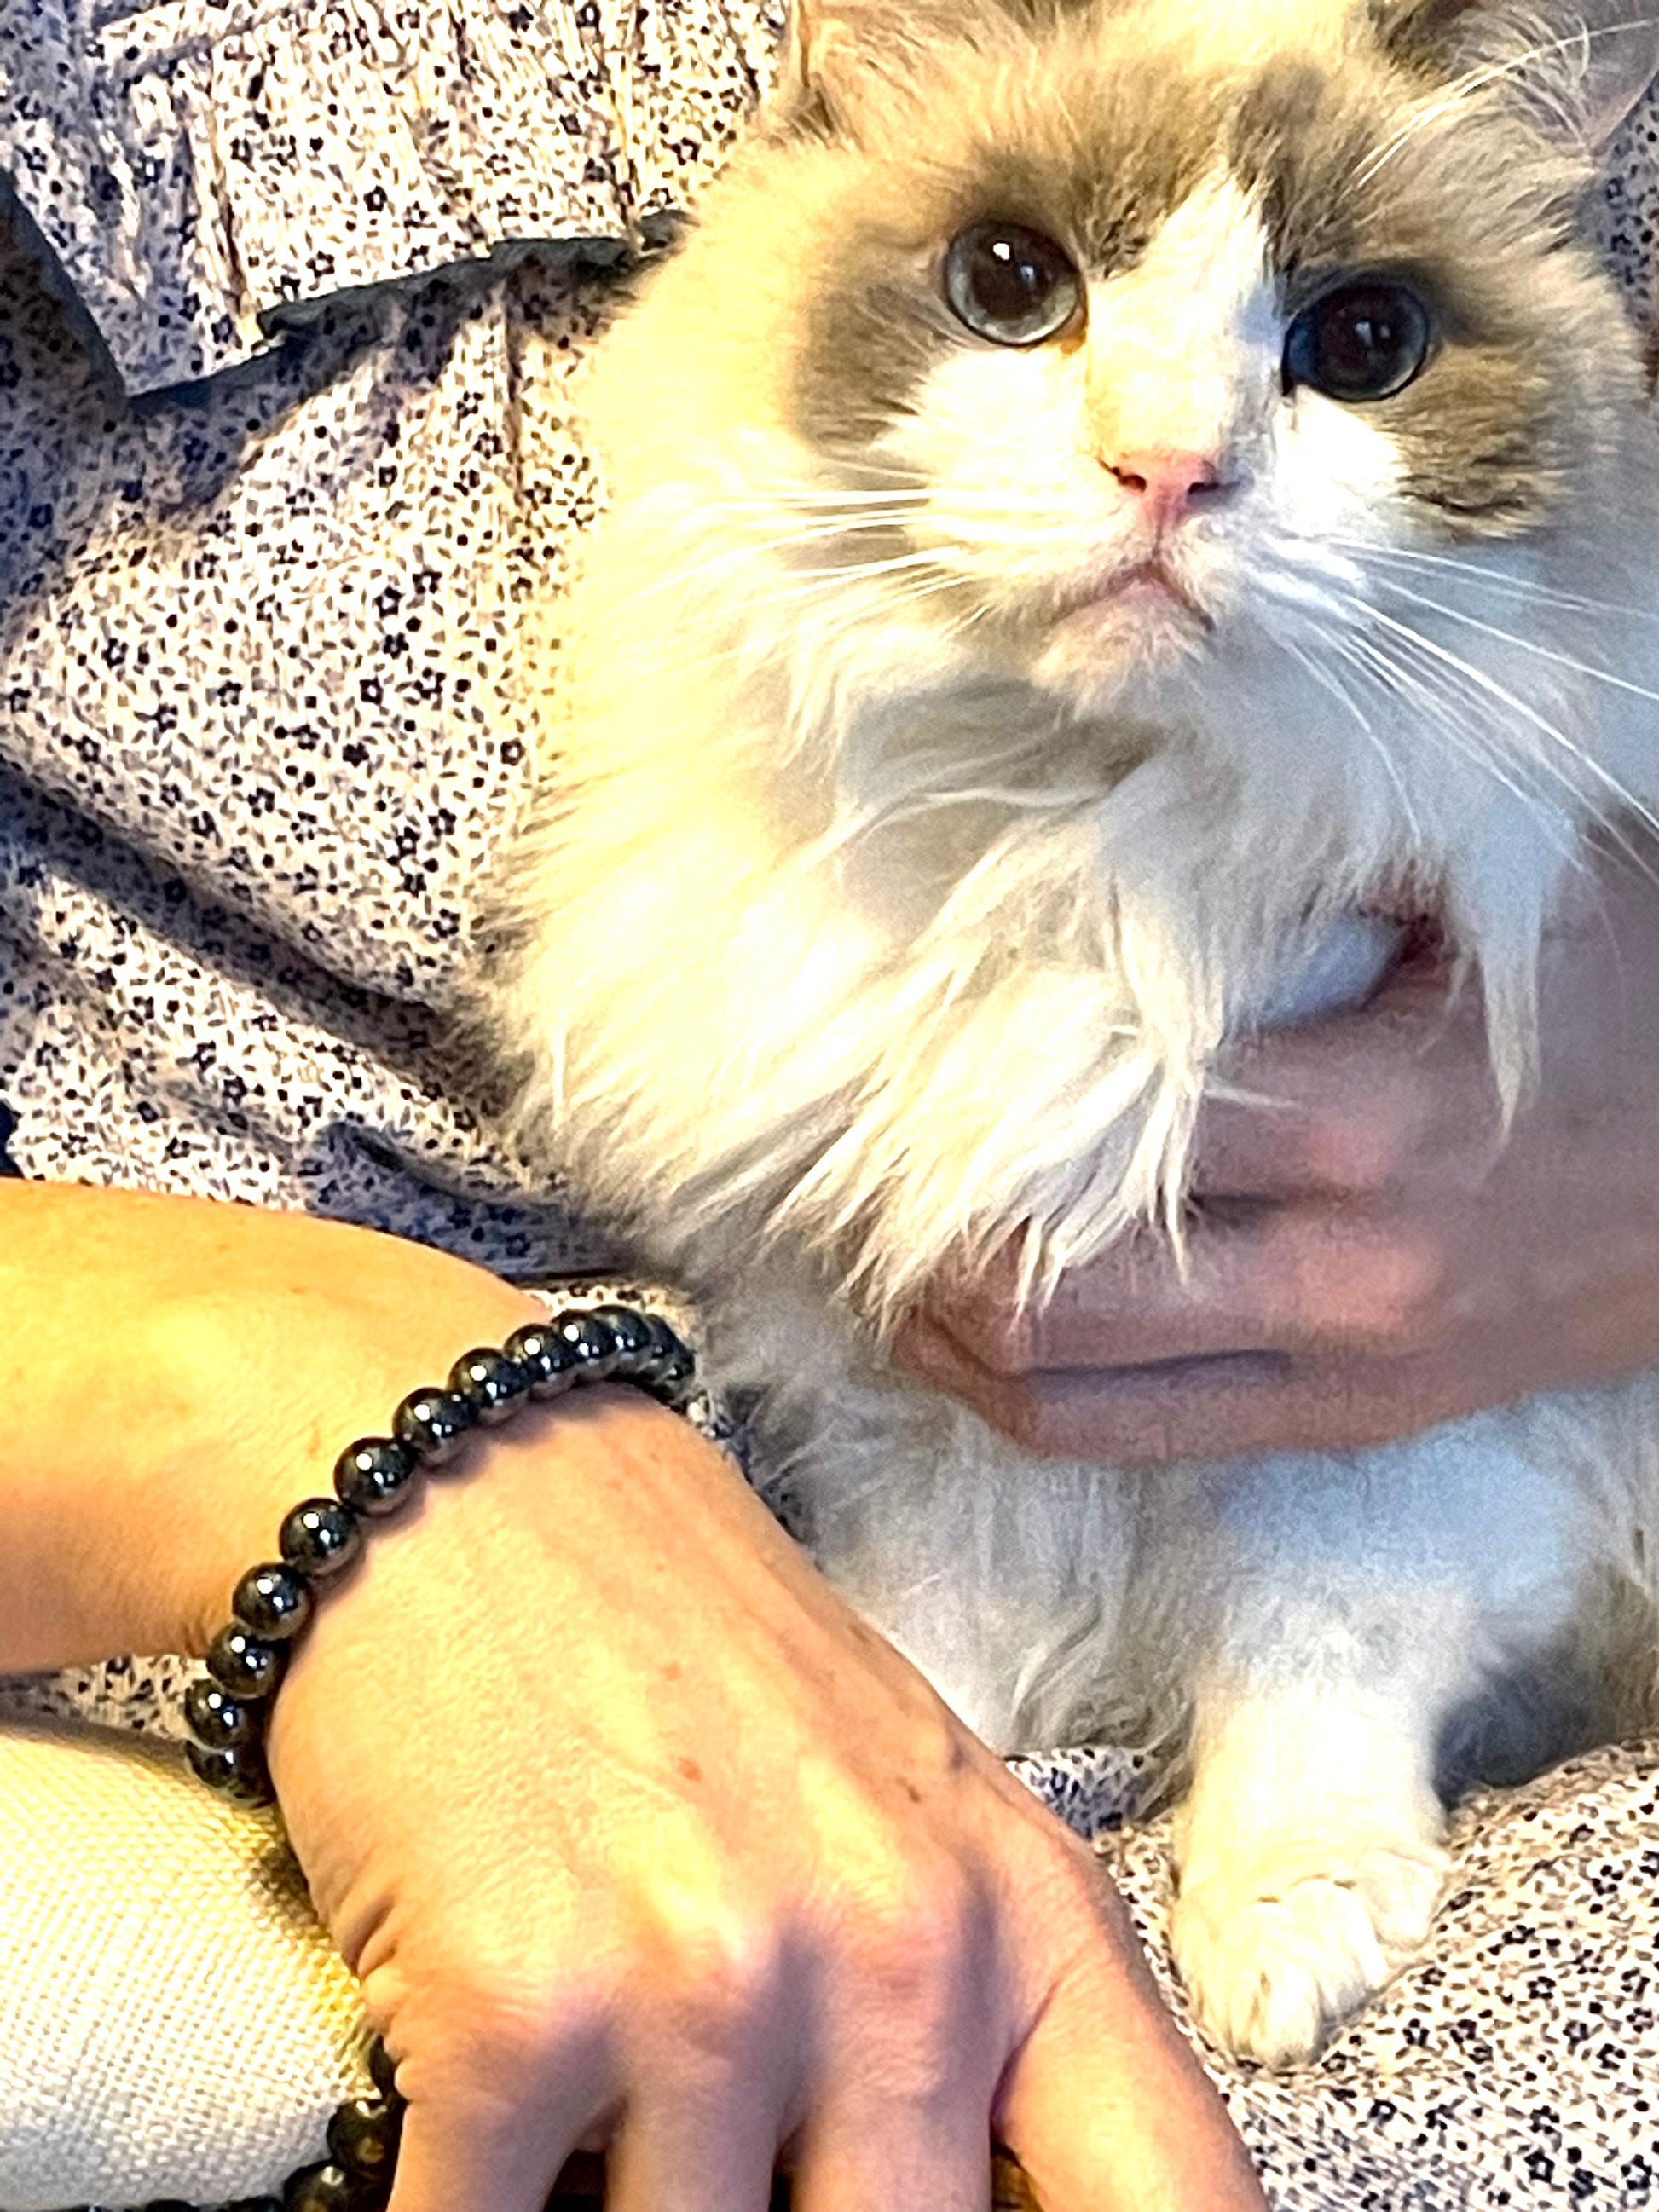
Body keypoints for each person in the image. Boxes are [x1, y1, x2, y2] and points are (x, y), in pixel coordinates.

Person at [1, 8, 1656, 2211]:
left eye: (1348, 337)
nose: (1165, 441)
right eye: (1014, 291)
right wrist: (296, 1407)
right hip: (341, 1691)